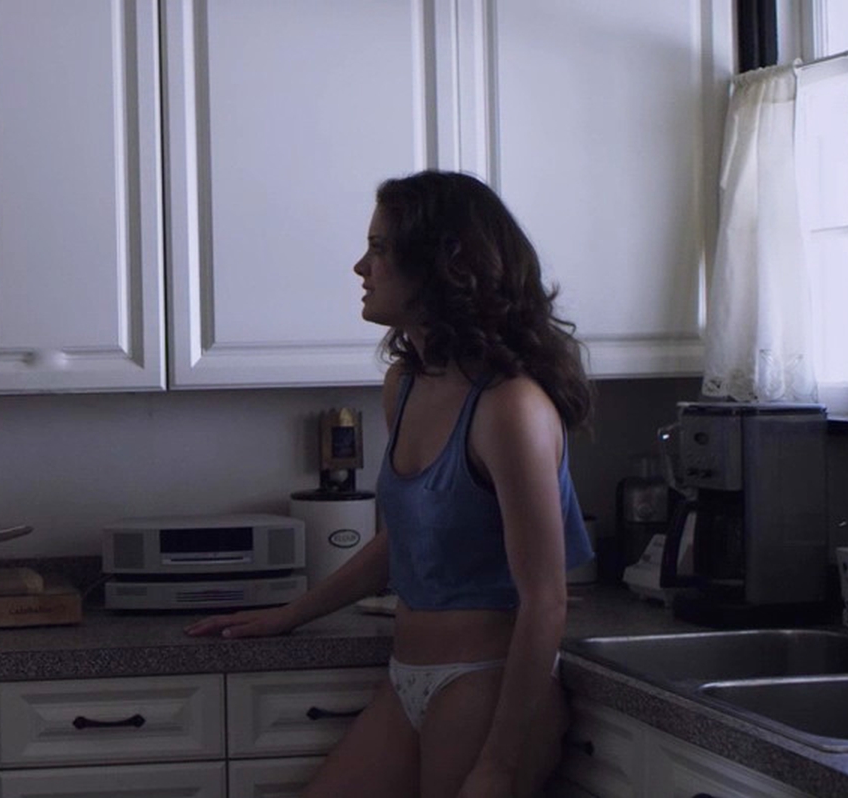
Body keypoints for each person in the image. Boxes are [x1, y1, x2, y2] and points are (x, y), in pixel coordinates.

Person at [187, 170, 594, 798]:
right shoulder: (405, 385)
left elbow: (546, 601)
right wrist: (289, 615)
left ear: (443, 265)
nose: (361, 267)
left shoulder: (510, 408)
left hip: (485, 683)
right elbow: (405, 538)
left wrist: (499, 765)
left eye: (379, 248)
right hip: (409, 675)